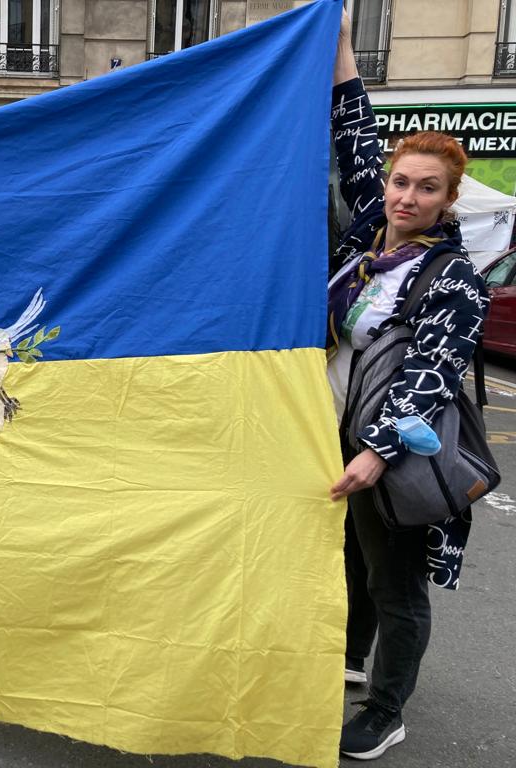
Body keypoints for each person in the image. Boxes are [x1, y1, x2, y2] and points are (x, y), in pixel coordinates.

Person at [327, 13, 488, 761]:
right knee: (353, 560)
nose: (407, 197)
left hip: (395, 451)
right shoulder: (367, 238)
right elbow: (356, 136)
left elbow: (431, 373)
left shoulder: (453, 277)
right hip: (337, 428)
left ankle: (386, 711)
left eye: (427, 189)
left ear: (447, 201)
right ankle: (353, 659)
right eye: (401, 181)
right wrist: (341, 42)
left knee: (395, 583)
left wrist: (378, 452)